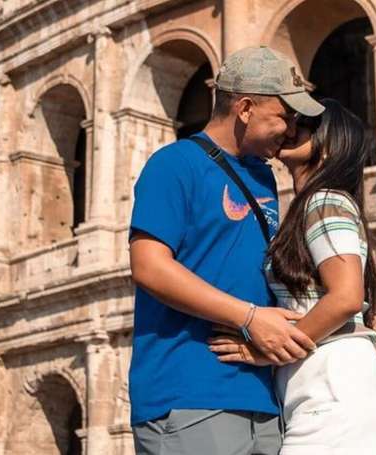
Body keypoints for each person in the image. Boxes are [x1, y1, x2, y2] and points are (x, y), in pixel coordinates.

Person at [128, 46, 324, 455]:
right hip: (188, 392)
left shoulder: (262, 178)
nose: (290, 130)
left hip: (259, 396)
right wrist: (250, 318)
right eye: (284, 117)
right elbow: (149, 267)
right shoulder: (173, 164)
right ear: (246, 108)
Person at [210, 99, 376, 454]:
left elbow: (346, 298)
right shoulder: (317, 204)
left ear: (330, 142)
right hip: (329, 385)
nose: (290, 127)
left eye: (305, 123)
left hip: (334, 386)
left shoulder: (324, 200)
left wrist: (271, 350)